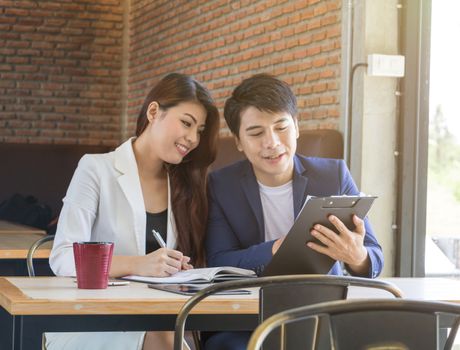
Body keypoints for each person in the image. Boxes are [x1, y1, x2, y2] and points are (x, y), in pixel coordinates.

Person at [204, 73, 383, 349]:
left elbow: (374, 258)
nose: (272, 142)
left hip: (320, 317)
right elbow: (218, 262)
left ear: (297, 127)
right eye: (256, 133)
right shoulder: (220, 185)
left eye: (281, 127)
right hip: (246, 321)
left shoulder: (334, 175)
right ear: (239, 141)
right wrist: (276, 249)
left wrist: (356, 256)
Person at [47, 73, 219, 350]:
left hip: (159, 320)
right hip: (93, 321)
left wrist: (178, 270)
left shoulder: (184, 185)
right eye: (186, 123)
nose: (192, 138)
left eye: (199, 130)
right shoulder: (96, 168)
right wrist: (139, 264)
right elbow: (63, 257)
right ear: (154, 111)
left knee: (168, 339)